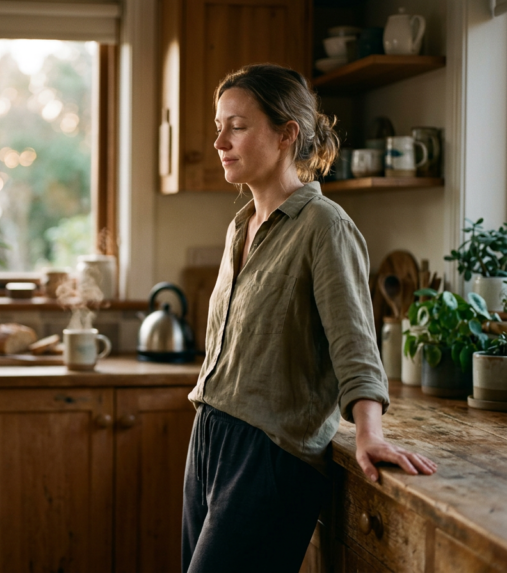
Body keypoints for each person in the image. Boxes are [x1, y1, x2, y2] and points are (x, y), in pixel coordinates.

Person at [182, 64, 437, 573]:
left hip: (270, 453)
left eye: (236, 125)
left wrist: (369, 433)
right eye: (218, 125)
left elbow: (355, 344)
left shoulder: (325, 226)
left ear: (285, 134)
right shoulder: (241, 226)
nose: (219, 141)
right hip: (210, 435)